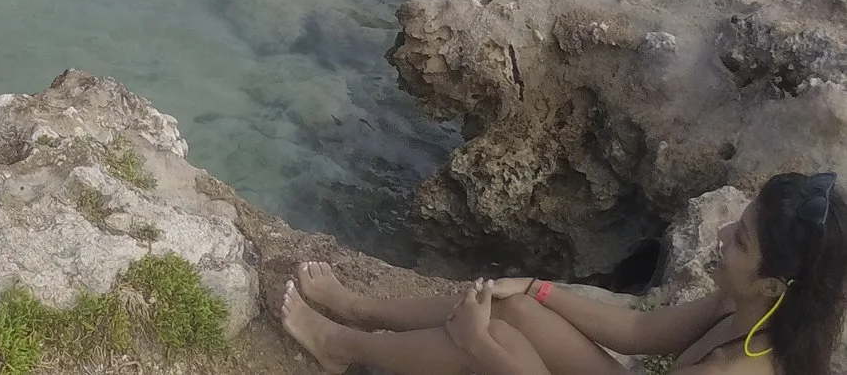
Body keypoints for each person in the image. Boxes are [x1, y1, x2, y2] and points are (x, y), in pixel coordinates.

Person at [279, 171, 847, 375]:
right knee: (513, 307)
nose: (722, 234)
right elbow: (638, 335)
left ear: (773, 284)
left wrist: (482, 348)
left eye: (740, 239)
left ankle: (337, 343)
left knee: (491, 332)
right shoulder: (746, 307)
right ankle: (359, 310)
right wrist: (536, 286)